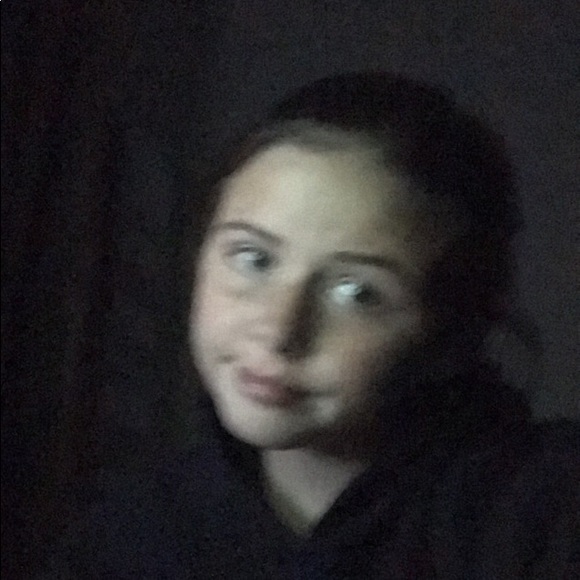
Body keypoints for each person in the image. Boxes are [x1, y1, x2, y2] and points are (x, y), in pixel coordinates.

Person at [48, 72, 579, 579]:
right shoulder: (129, 537)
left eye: (356, 293)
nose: (279, 332)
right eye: (253, 258)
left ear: (448, 324)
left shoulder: (545, 517)